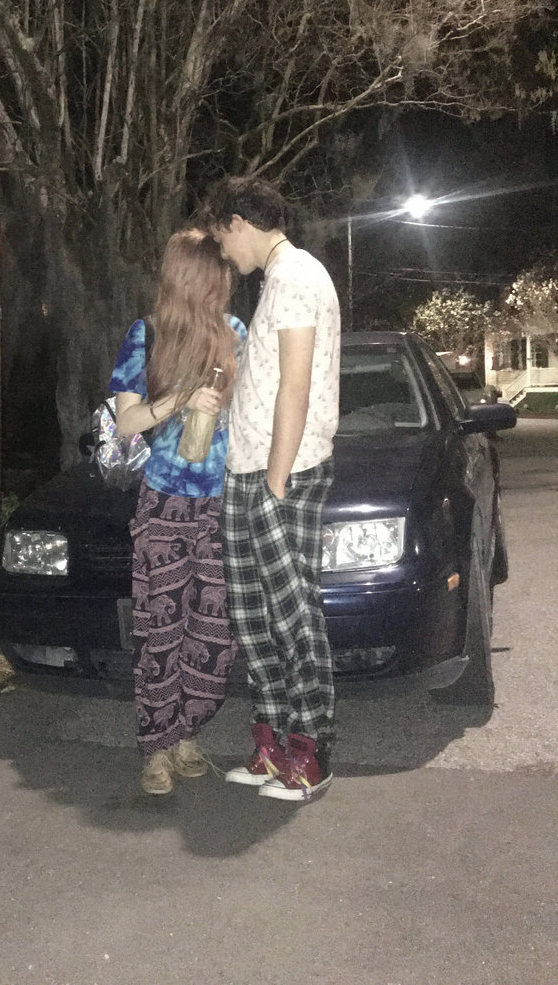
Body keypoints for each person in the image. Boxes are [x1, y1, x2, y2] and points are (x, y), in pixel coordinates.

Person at [201, 175, 341, 801]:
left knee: (293, 617)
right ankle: (272, 747)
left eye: (221, 238)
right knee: (255, 618)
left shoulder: (296, 278)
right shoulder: (279, 281)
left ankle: (311, 754)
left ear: (238, 222)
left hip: (281, 474)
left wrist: (276, 483)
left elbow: (296, 386)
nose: (223, 252)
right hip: (249, 470)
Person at [109, 229, 247, 795]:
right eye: (218, 274)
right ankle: (157, 748)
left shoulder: (236, 334)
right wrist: (179, 399)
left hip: (221, 504)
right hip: (164, 502)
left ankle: (187, 731)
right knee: (160, 631)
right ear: (194, 278)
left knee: (215, 637)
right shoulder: (146, 335)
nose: (227, 282)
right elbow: (126, 421)